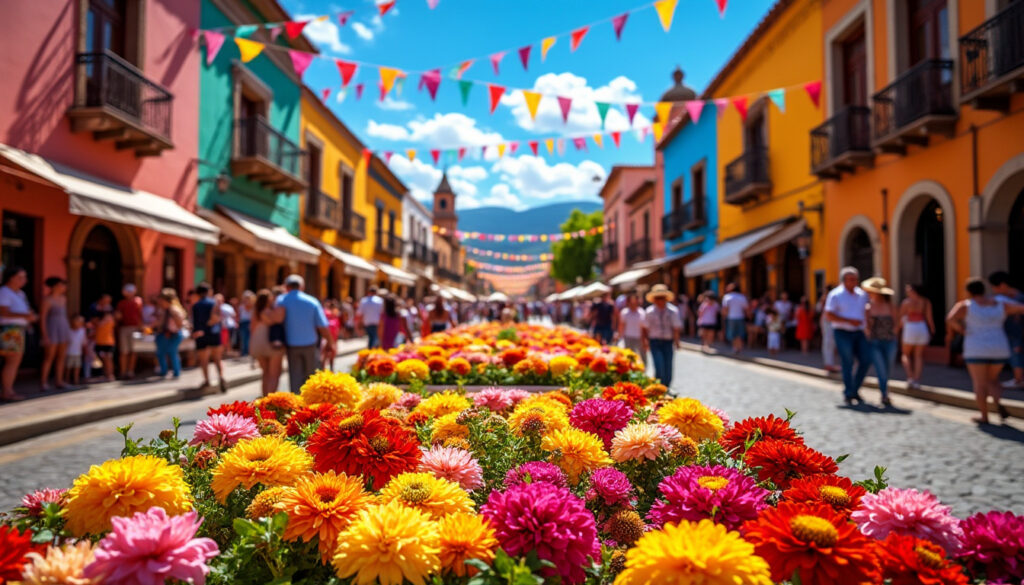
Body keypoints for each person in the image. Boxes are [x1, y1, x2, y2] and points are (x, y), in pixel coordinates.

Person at [946, 277, 1024, 425]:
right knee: (992, 379)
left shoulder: (966, 305)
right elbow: (1021, 308)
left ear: (969, 291)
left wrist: (962, 330)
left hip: (976, 348)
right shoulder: (1000, 304)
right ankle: (998, 403)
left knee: (980, 383)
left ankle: (984, 416)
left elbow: (950, 319)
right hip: (999, 347)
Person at [277, 275, 334, 393]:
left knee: (295, 377)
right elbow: (322, 326)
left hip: (291, 345)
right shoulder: (311, 301)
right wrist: (330, 342)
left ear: (287, 287)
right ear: (301, 286)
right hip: (310, 344)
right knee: (311, 378)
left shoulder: (281, 300)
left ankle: (296, 407)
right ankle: (310, 406)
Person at [825, 267, 871, 405]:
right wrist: (849, 321)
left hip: (859, 332)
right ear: (844, 280)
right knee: (847, 361)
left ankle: (854, 389)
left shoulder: (862, 294)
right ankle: (849, 392)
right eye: (851, 279)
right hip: (842, 332)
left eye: (856, 279)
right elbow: (829, 315)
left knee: (866, 360)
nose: (854, 282)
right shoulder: (835, 295)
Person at [0, 266, 36, 402]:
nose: (24, 280)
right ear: (11, 277)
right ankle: (6, 391)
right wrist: (25, 315)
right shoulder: (4, 292)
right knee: (11, 361)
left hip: (18, 329)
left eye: (24, 277)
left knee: (15, 361)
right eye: (20, 277)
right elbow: (3, 311)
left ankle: (8, 390)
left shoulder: (20, 293)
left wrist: (29, 317)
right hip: (9, 330)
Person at [863, 278, 897, 407]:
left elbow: (897, 323)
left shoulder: (890, 306)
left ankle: (885, 391)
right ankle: (884, 394)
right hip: (875, 342)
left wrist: (894, 333)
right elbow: (866, 327)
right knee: (881, 369)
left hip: (890, 341)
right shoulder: (868, 307)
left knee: (888, 368)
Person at [642, 284, 683, 387]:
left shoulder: (673, 311)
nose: (660, 301)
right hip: (655, 341)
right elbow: (644, 328)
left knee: (668, 367)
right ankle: (659, 388)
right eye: (658, 298)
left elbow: (676, 328)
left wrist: (677, 342)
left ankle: (667, 387)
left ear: (665, 299)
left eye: (662, 298)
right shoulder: (649, 312)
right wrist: (645, 342)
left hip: (668, 342)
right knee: (659, 366)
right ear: (654, 300)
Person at [989, 271, 1024, 389]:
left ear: (1003, 285)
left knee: (1017, 355)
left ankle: (1019, 380)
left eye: (995, 287)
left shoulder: (1019, 298)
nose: (994, 290)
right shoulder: (1002, 299)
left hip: (1018, 333)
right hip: (1010, 333)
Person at [250, 289, 286, 395]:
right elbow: (277, 321)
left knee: (265, 373)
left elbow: (251, 329)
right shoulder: (268, 312)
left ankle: (264, 398)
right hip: (270, 343)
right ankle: (271, 400)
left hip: (256, 343)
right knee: (274, 373)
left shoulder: (254, 312)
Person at [899, 284, 934, 389]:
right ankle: (917, 380)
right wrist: (932, 330)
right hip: (921, 327)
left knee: (905, 354)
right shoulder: (925, 301)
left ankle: (910, 377)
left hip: (910, 327)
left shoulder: (906, 302)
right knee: (918, 355)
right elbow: (929, 318)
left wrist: (897, 330)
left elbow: (901, 317)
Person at [191, 283, 225, 392]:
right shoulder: (213, 303)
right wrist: (209, 324)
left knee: (204, 360)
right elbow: (217, 318)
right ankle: (221, 377)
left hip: (201, 334)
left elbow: (195, 322)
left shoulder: (196, 305)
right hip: (214, 333)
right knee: (217, 358)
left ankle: (207, 380)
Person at [39, 276, 72, 390]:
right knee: (49, 357)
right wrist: (45, 335)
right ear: (54, 286)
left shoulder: (64, 299)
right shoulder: (47, 300)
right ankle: (43, 382)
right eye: (61, 284)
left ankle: (59, 381)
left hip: (63, 328)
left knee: (61, 357)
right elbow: (42, 318)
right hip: (52, 329)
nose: (63, 287)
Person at [154, 288, 187, 380]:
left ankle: (176, 372)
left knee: (172, 353)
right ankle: (164, 371)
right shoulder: (164, 309)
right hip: (164, 333)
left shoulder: (173, 309)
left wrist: (173, 330)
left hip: (173, 334)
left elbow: (179, 323)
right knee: (161, 353)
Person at [115, 283, 142, 379]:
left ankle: (130, 371)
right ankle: (123, 371)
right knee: (123, 351)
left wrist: (141, 327)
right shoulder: (121, 303)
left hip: (135, 328)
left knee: (133, 351)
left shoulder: (138, 301)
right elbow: (118, 317)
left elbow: (140, 315)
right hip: (124, 328)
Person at [93, 297, 117, 382]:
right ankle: (105, 374)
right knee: (102, 359)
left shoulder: (110, 318)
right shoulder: (98, 317)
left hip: (108, 341)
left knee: (108, 359)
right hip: (100, 341)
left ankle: (110, 375)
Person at [721, 283, 750, 355]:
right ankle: (739, 347)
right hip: (740, 317)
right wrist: (749, 317)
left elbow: (725, 309)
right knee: (740, 334)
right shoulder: (742, 297)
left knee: (733, 334)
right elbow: (746, 309)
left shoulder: (727, 297)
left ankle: (735, 347)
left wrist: (724, 317)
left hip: (731, 318)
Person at [817, 285, 839, 372]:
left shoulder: (829, 297)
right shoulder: (829, 298)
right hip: (828, 320)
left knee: (829, 342)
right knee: (828, 342)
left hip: (830, 320)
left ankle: (829, 363)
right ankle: (828, 363)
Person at [65, 315, 87, 386]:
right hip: (69, 352)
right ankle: (66, 380)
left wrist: (84, 350)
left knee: (77, 367)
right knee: (68, 367)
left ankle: (76, 380)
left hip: (78, 353)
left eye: (81, 322)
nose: (80, 323)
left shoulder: (82, 331)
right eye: (78, 321)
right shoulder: (68, 330)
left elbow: (83, 342)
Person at [238, 290, 254, 357]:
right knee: (244, 338)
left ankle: (248, 352)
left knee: (249, 338)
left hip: (250, 322)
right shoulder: (241, 305)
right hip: (243, 322)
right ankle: (244, 352)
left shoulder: (252, 305)